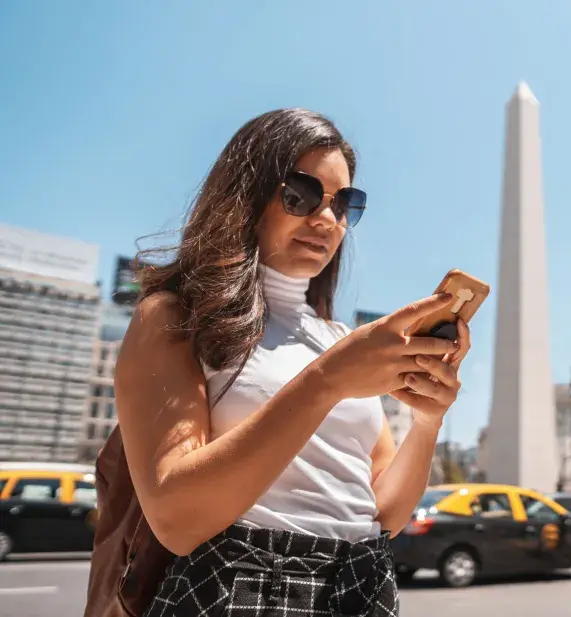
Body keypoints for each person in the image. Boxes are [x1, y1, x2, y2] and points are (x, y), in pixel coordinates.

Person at [113, 109, 471, 616]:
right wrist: (327, 381)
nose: (327, 219)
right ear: (247, 196)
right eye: (301, 194)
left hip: (363, 584)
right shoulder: (175, 316)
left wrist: (427, 420)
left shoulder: (339, 339)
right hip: (239, 583)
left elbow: (383, 514)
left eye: (345, 203)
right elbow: (176, 517)